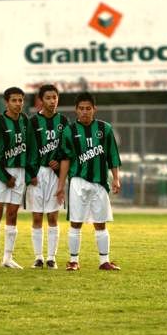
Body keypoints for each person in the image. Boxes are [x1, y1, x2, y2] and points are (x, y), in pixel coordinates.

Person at [55, 92, 122, 271]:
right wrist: (61, 186)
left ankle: (104, 261)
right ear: (76, 110)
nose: (85, 112)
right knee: (76, 222)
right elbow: (65, 159)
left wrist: (116, 178)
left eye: (88, 108)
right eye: (81, 108)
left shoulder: (105, 129)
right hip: (78, 182)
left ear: (94, 109)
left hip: (100, 182)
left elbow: (113, 155)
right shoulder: (69, 131)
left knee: (100, 223)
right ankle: (73, 261)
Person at [0, 86, 30, 269]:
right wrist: (4, 176)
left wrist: (29, 172)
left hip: (20, 172)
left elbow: (31, 147)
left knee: (12, 214)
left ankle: (8, 258)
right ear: (6, 103)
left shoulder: (25, 121)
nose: (18, 104)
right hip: (0, 172)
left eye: (20, 100)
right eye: (14, 100)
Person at [26, 84, 69, 269]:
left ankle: (51, 258)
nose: (52, 101)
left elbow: (67, 148)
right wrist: (30, 173)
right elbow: (27, 149)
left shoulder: (64, 121)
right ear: (41, 100)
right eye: (48, 98)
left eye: (55, 97)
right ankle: (38, 257)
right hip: (37, 174)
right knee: (37, 218)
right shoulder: (33, 122)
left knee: (52, 217)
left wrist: (58, 161)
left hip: (54, 175)